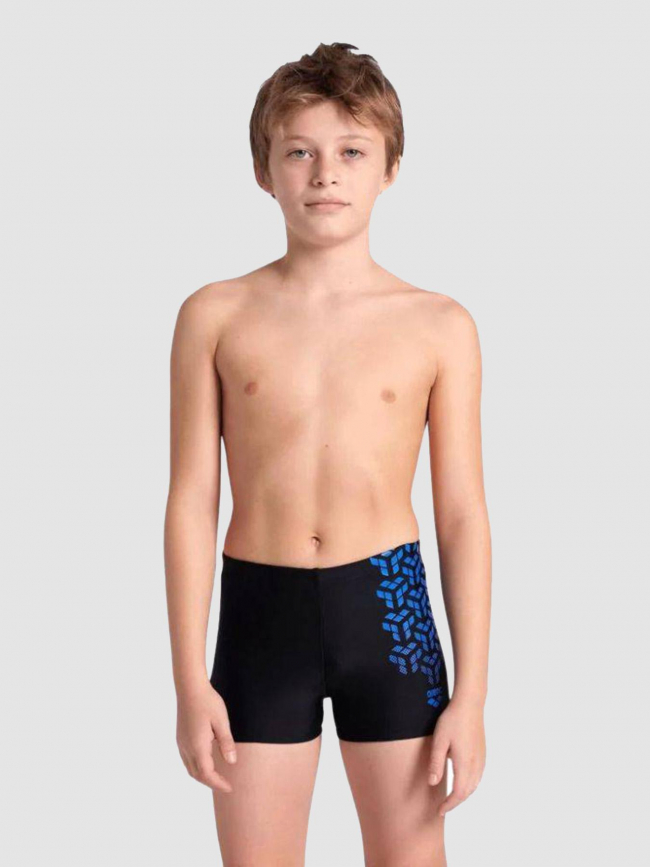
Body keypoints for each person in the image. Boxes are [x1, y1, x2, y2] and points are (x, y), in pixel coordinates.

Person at [164, 41, 491, 867]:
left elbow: (461, 513)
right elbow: (191, 499)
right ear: (263, 171)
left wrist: (474, 694)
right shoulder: (214, 315)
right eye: (299, 153)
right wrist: (188, 678)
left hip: (389, 606)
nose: (324, 175)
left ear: (389, 169)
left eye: (351, 152)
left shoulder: (439, 325)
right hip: (259, 614)